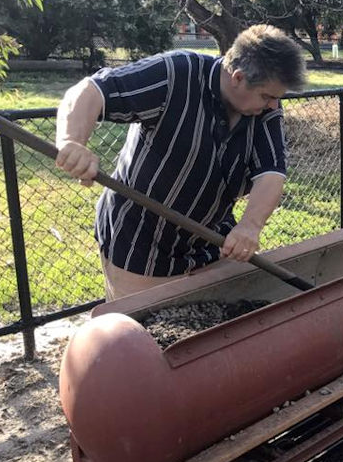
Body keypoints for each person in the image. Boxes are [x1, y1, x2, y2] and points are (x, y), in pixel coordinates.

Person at [54, 24, 307, 300]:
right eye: (267, 96)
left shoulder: (264, 109)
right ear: (237, 77)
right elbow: (91, 91)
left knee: (213, 325)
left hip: (210, 240)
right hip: (140, 242)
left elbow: (272, 171)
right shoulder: (175, 74)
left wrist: (250, 226)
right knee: (145, 332)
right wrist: (72, 142)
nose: (273, 105)